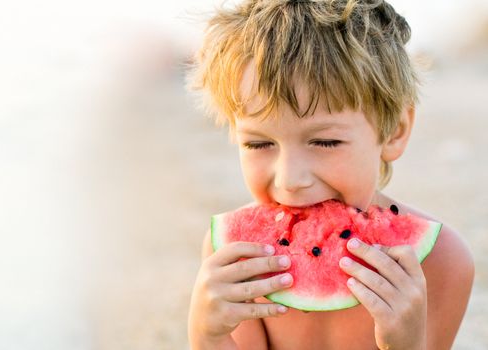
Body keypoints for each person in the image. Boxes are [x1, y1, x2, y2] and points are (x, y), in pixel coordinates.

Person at [185, 1, 474, 349]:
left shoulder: (443, 262)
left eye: (324, 141)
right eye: (259, 144)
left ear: (395, 132)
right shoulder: (237, 258)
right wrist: (207, 337)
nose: (291, 179)